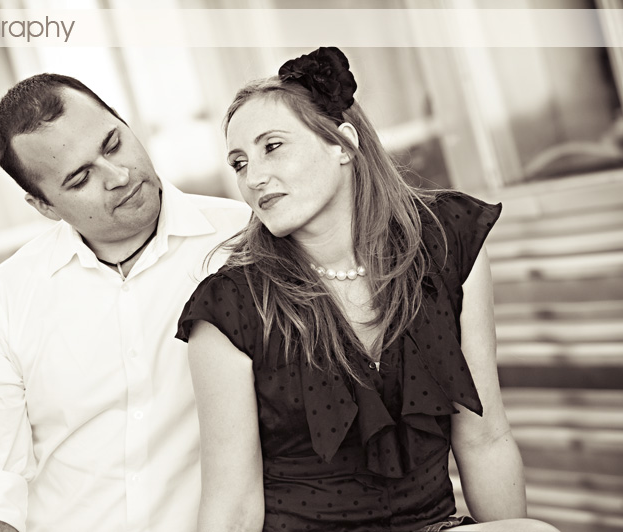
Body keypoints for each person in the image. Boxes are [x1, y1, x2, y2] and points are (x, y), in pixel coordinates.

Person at [176, 47, 559, 532]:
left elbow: (484, 437)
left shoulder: (445, 242)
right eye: (238, 163)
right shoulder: (230, 306)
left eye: (272, 146)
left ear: (343, 144)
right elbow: (233, 507)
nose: (254, 177)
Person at [0, 73, 250, 532]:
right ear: (44, 206)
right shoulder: (5, 294)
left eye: (113, 144)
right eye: (81, 177)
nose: (119, 176)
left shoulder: (242, 241)